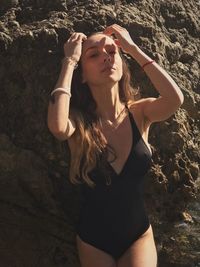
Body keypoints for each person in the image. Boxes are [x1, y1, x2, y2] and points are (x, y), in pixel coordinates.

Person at [47, 24, 184, 267]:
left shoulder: (139, 112)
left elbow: (175, 99)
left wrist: (133, 49)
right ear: (83, 74)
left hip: (138, 237)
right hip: (94, 241)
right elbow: (58, 127)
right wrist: (69, 62)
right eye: (94, 55)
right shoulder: (79, 121)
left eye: (112, 52)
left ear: (122, 63)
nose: (106, 58)